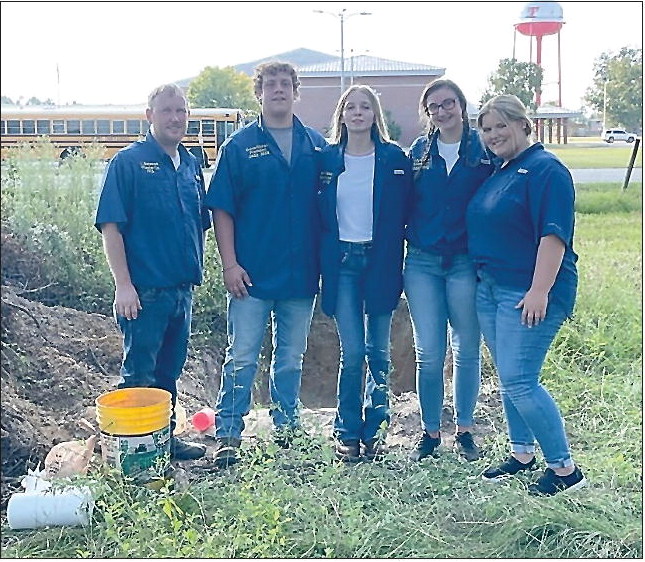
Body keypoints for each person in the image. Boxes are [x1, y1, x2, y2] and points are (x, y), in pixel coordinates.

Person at [205, 61, 327, 466]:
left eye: (285, 84)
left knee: (291, 357)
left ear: (296, 91)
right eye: (270, 84)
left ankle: (287, 428)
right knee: (242, 356)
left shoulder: (315, 145)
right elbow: (222, 209)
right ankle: (228, 432)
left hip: (300, 274)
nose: (278, 89)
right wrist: (229, 264)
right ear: (259, 93)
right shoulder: (239, 147)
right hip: (251, 275)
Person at [467, 94, 587, 496]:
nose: (494, 134)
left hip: (528, 292)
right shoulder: (503, 169)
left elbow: (553, 234)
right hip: (493, 289)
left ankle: (565, 470)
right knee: (508, 379)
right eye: (486, 129)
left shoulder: (546, 170)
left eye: (502, 125)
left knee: (520, 379)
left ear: (523, 123)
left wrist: (539, 290)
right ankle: (521, 454)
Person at [95, 83, 211, 461]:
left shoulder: (191, 165)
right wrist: (123, 286)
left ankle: (164, 442)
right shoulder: (127, 163)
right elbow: (112, 227)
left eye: (181, 111)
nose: (176, 118)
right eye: (167, 111)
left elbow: (200, 223)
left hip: (181, 291)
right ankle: (133, 454)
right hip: (144, 293)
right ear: (150, 116)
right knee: (139, 376)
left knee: (168, 373)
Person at [317, 85, 412, 462]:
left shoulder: (393, 159)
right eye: (350, 107)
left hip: (381, 260)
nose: (358, 113)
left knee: (379, 351)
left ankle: (376, 429)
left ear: (376, 115)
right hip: (341, 263)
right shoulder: (325, 159)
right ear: (341, 115)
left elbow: (409, 211)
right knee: (353, 351)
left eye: (365, 107)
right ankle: (347, 431)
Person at [404, 79, 493, 462]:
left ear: (461, 105)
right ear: (427, 113)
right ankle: (429, 431)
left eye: (448, 103)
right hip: (422, 260)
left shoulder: (483, 150)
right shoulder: (419, 151)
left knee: (466, 348)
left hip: (464, 261)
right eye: (434, 106)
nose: (442, 111)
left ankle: (466, 429)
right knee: (429, 351)